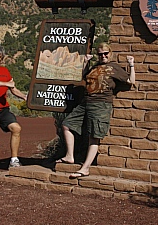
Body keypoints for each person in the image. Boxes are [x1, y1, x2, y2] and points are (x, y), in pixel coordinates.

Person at [57, 43, 136, 178]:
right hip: (86, 102)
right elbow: (85, 77)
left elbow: (130, 80)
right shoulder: (95, 67)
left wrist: (131, 64)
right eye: (100, 54)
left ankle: (85, 168)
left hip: (101, 104)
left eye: (105, 53)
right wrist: (86, 63)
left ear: (110, 54)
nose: (103, 56)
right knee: (66, 124)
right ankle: (70, 156)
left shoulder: (114, 68)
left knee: (94, 136)